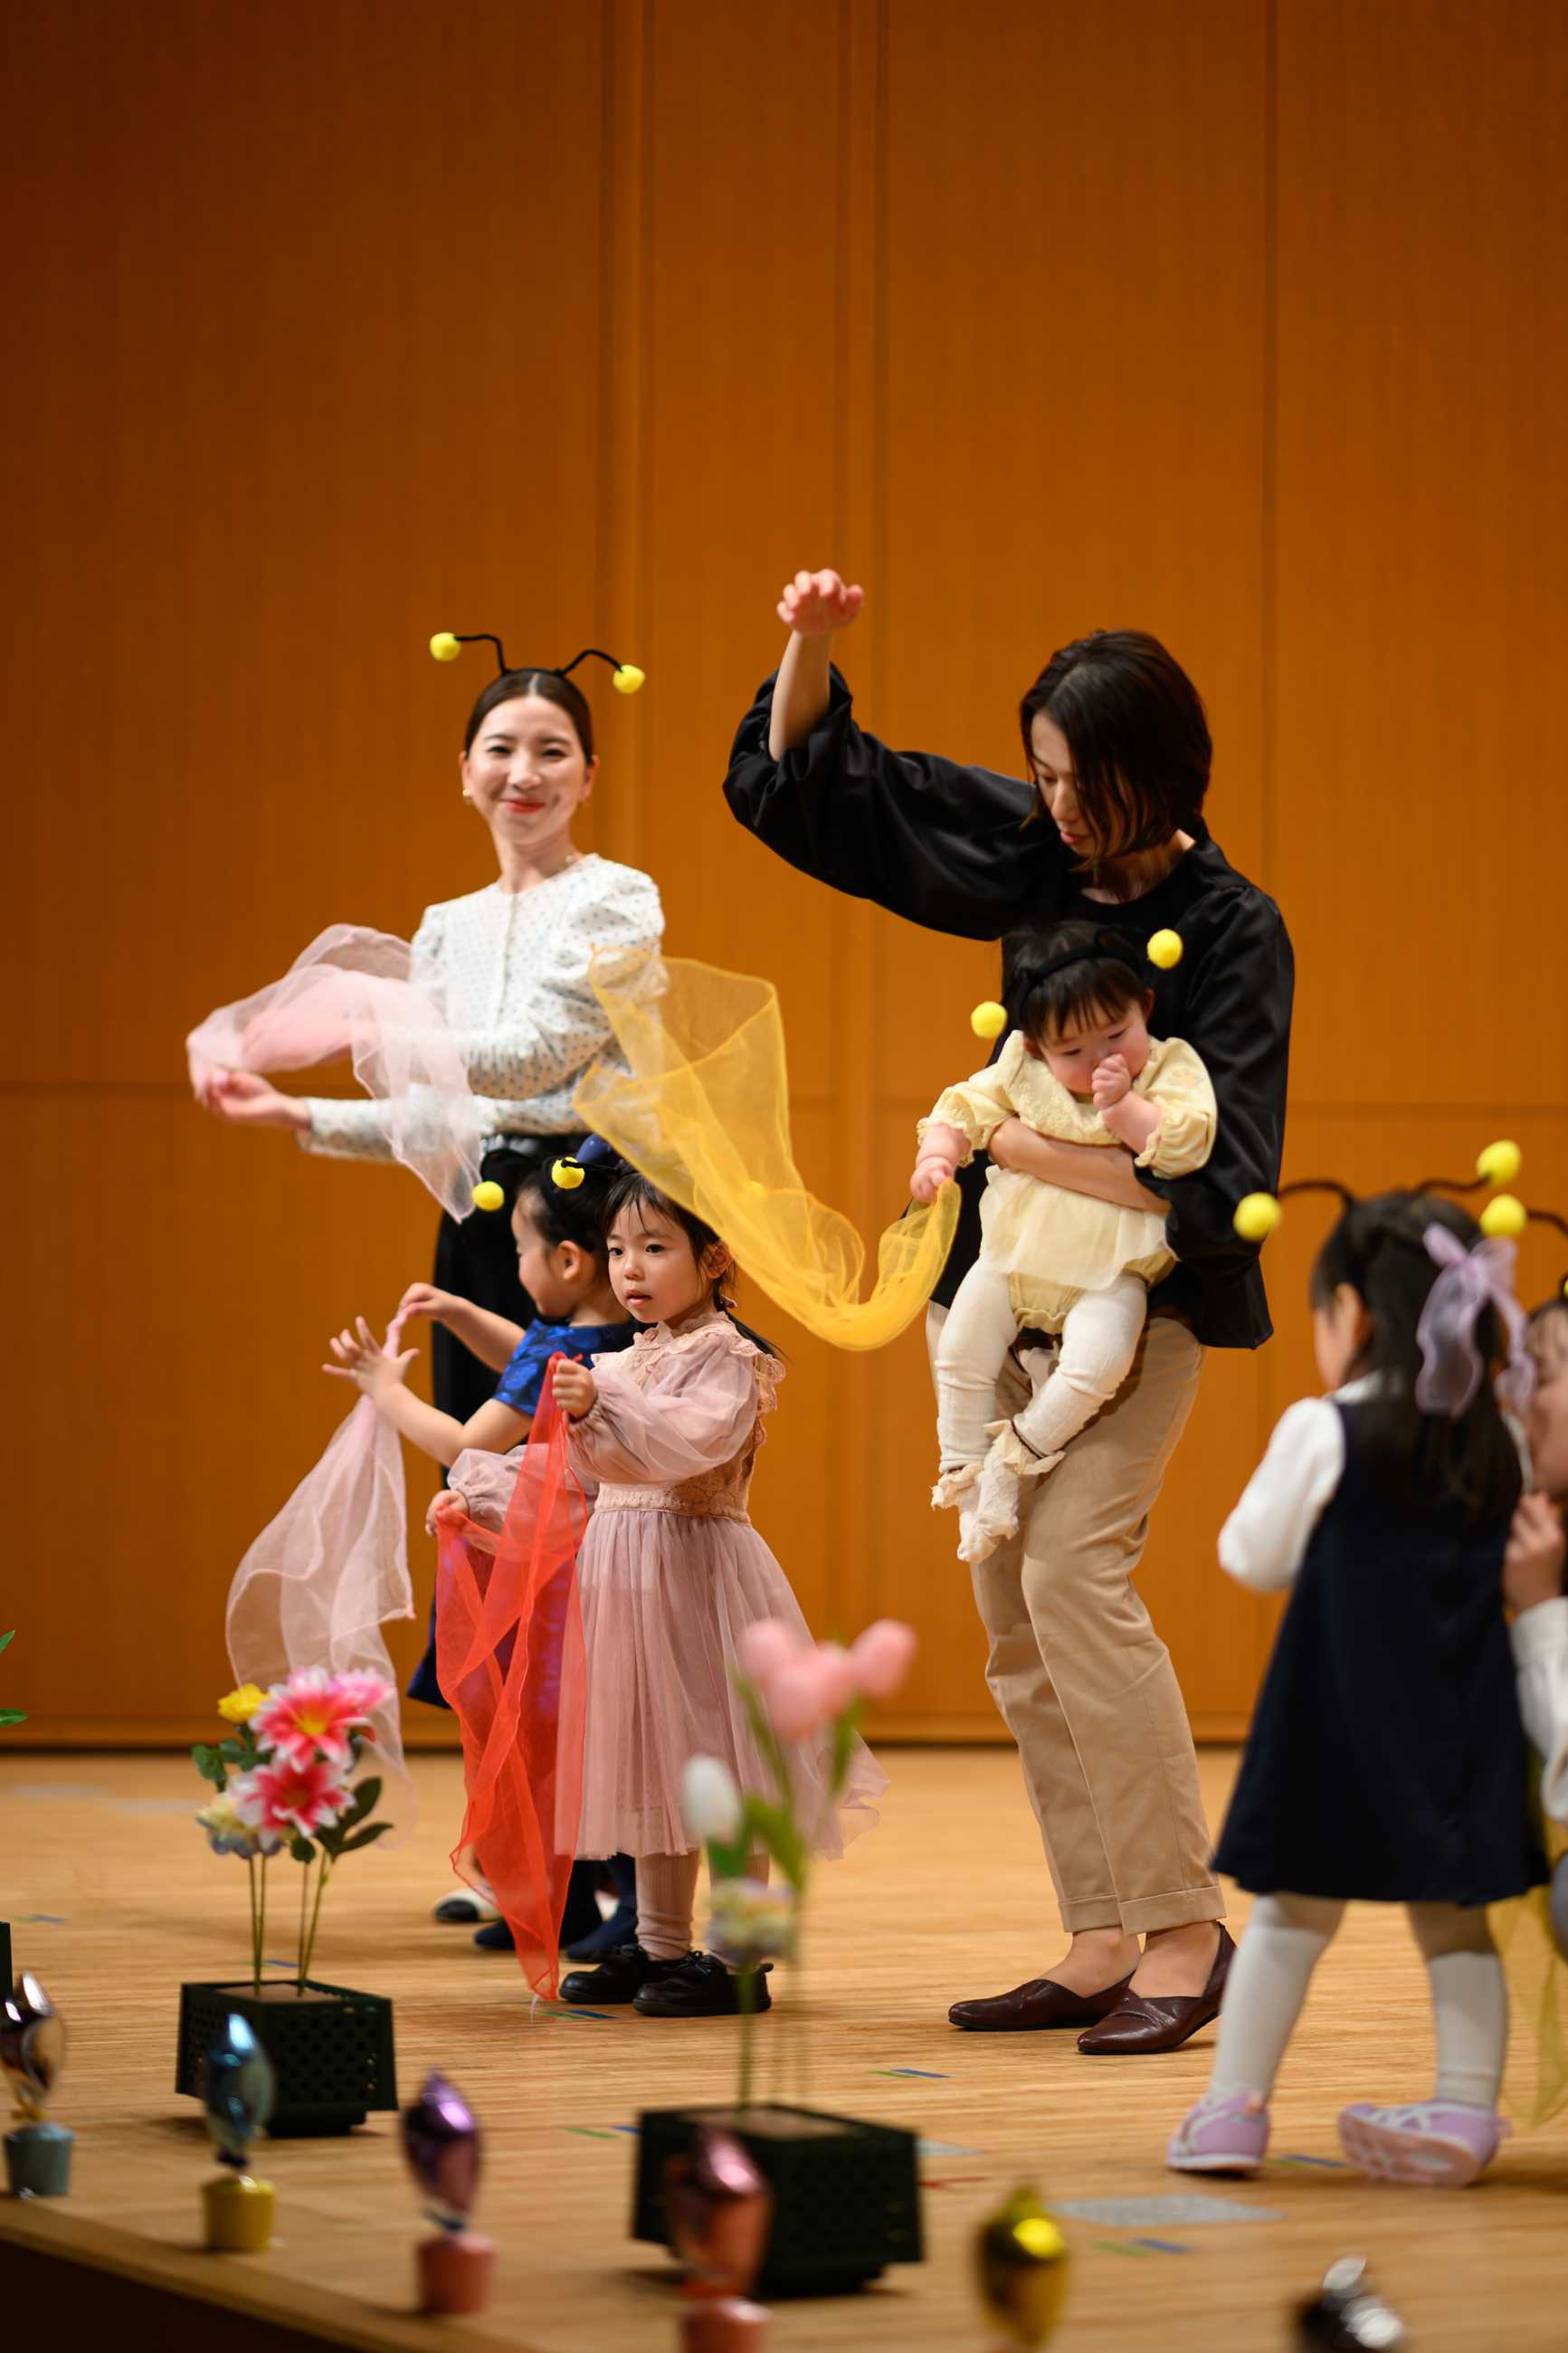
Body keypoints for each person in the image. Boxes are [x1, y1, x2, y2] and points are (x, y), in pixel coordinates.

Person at [724, 569, 1293, 2049]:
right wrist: (809, 641)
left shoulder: (1233, 929)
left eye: (1082, 781)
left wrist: (1026, 1150)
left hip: (1136, 1310)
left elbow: (1217, 1180)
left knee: (1073, 1581)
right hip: (1002, 1288)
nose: (1057, 807)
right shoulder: (1042, 858)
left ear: (1159, 774)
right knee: (1011, 1614)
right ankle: (1099, 1932)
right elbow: (832, 790)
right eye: (1041, 774)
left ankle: (1185, 1932)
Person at [1167, 1191, 1540, 2186]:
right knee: (1456, 1924)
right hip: (1461, 1725)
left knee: (1291, 1917)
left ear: (1352, 1312)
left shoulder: (1322, 1425)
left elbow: (1252, 1556)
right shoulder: (1497, 1437)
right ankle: (1464, 2110)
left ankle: (1232, 2112)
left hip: (1334, 1717)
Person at [199, 645, 663, 1428]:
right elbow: (438, 1116)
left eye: (552, 752)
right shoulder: (444, 926)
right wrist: (295, 1113)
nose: (524, 773)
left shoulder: (616, 896)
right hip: (481, 1222)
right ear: (465, 771)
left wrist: (362, 1030)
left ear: (588, 776)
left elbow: (532, 1061)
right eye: (501, 749)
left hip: (584, 1223)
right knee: (471, 1461)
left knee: (584, 1459)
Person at [550, 1162, 887, 2019]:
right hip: (624, 1580)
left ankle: (741, 1955)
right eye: (616, 1250)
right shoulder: (623, 1359)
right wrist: (481, 1496)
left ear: (714, 1257)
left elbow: (678, 1447)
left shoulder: (727, 1356)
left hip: (696, 1576)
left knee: (727, 1765)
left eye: (654, 1247)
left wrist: (596, 1405)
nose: (629, 1268)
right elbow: (586, 1475)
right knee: (654, 1758)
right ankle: (660, 1942)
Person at [325, 1147, 641, 1958]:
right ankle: (566, 1904)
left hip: (567, 1573)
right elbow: (527, 1356)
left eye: (520, 1252)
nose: (517, 1268)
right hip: (595, 1555)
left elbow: (469, 1442)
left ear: (566, 1261)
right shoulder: (604, 1331)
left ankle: (614, 1907)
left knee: (570, 1733)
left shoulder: (569, 1352)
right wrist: (463, 1313)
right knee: (570, 1733)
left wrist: (387, 1391)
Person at [913, 921, 1216, 1563]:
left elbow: (1188, 1145)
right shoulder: (1021, 1066)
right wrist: (937, 1155)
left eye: (1116, 1034)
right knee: (960, 1353)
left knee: (1100, 1363)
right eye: (1073, 1049)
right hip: (1012, 1254)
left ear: (1145, 1008)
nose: (1100, 1057)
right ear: (1034, 1044)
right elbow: (964, 1105)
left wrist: (1124, 1108)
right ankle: (965, 1478)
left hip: (1111, 1270)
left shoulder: (1168, 1066)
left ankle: (1016, 1453)